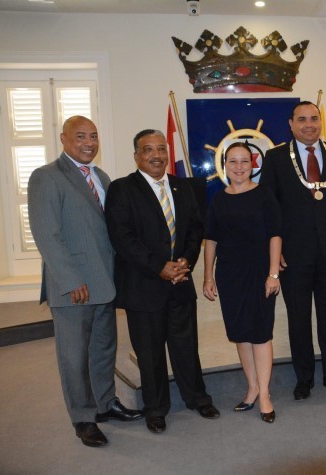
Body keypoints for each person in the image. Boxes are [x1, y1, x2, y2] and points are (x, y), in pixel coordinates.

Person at [27, 116, 142, 448]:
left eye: (93, 136)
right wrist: (70, 279)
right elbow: (46, 234)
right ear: (64, 139)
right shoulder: (46, 177)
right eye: (80, 136)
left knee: (103, 351)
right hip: (74, 287)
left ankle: (105, 405)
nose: (89, 142)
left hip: (105, 282)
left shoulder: (101, 177)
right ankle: (83, 418)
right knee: (74, 357)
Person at [105, 129, 219, 434]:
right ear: (136, 156)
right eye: (148, 150)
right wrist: (159, 267)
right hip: (143, 286)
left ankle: (197, 398)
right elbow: (122, 237)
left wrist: (186, 262)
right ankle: (155, 408)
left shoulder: (183, 186)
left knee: (186, 346)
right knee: (150, 352)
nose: (156, 155)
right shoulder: (122, 189)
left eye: (161, 149)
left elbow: (195, 230)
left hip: (180, 282)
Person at [259, 101, 326, 400]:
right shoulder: (276, 157)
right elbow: (268, 207)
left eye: (314, 118)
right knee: (299, 319)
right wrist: (275, 251)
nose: (309, 124)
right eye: (302, 119)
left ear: (321, 122)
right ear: (291, 124)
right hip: (293, 255)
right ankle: (303, 378)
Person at [202, 143, 282, 424]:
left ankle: (265, 395)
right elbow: (211, 240)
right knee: (240, 334)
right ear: (224, 165)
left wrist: (273, 273)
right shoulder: (218, 200)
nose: (239, 167)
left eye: (244, 161)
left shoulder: (264, 194)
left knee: (260, 334)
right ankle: (252, 388)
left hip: (260, 273)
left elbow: (275, 235)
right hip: (230, 275)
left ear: (253, 164)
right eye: (233, 161)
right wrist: (208, 276)